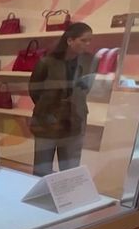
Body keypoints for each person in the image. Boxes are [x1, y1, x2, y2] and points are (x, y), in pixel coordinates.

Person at [29, 22, 93, 177]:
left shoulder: (88, 62)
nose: (87, 44)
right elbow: (34, 90)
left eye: (89, 40)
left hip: (75, 121)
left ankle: (67, 194)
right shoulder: (46, 62)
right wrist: (49, 107)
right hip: (47, 121)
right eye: (83, 40)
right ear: (70, 40)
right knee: (42, 169)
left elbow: (86, 88)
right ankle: (41, 193)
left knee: (70, 170)